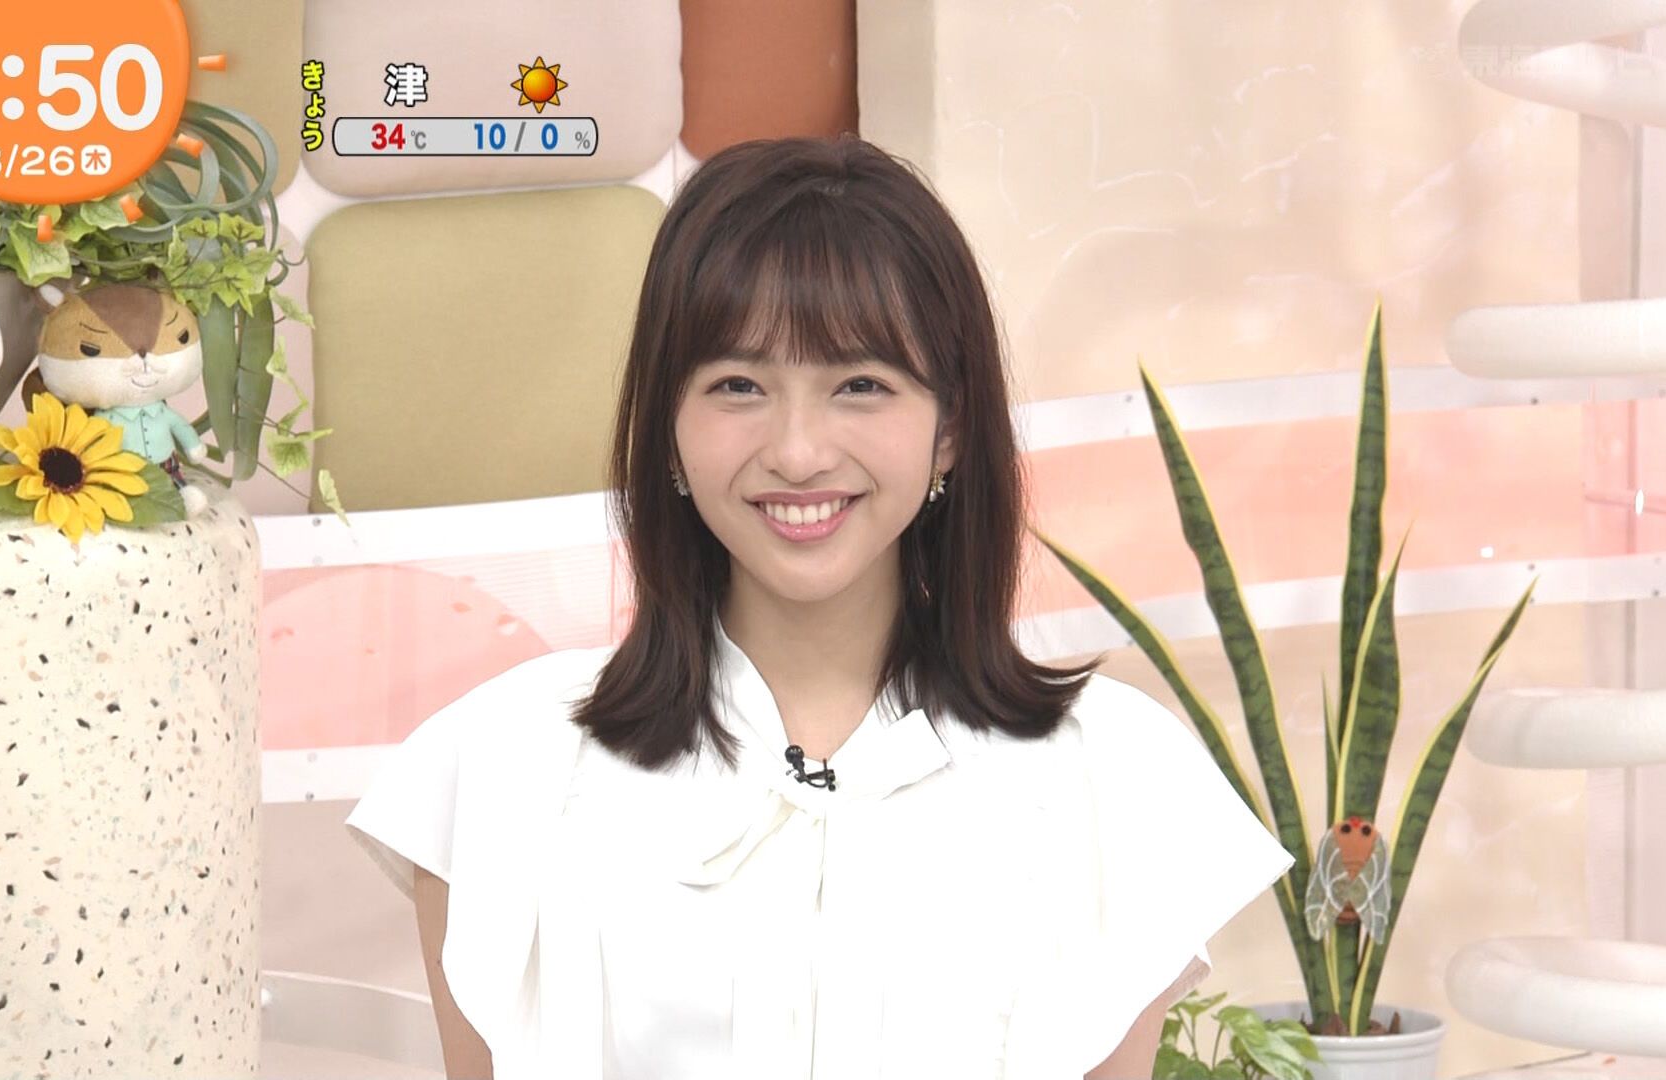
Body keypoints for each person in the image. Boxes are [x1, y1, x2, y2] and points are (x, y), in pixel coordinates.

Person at [344, 134, 1294, 1080]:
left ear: (951, 428)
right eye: (739, 386)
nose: (798, 453)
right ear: (667, 427)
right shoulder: (505, 766)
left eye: (860, 386)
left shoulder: (1111, 778)